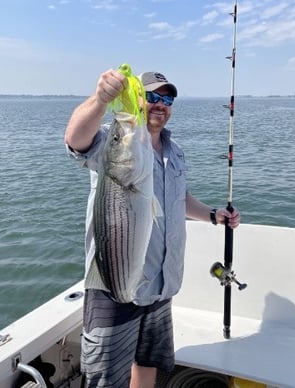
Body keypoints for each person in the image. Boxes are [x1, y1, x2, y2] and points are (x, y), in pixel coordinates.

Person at [65, 68, 241, 388]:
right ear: (138, 100)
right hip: (112, 283)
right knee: (105, 379)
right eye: (152, 97)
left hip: (160, 284)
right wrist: (101, 99)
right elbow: (75, 140)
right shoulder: (114, 140)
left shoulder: (175, 152)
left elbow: (179, 198)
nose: (160, 104)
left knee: (148, 365)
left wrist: (213, 215)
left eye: (167, 98)